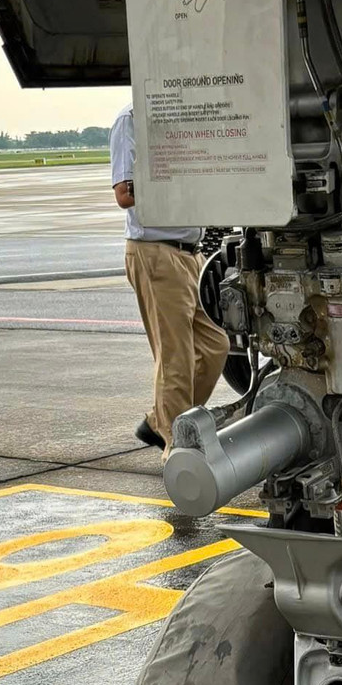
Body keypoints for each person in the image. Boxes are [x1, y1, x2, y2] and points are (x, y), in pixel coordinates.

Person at [109, 103, 230, 451]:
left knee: (215, 346)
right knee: (176, 361)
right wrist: (184, 179)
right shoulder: (131, 119)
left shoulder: (183, 114)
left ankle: (160, 422)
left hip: (191, 253)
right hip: (157, 252)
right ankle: (178, 451)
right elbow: (124, 194)